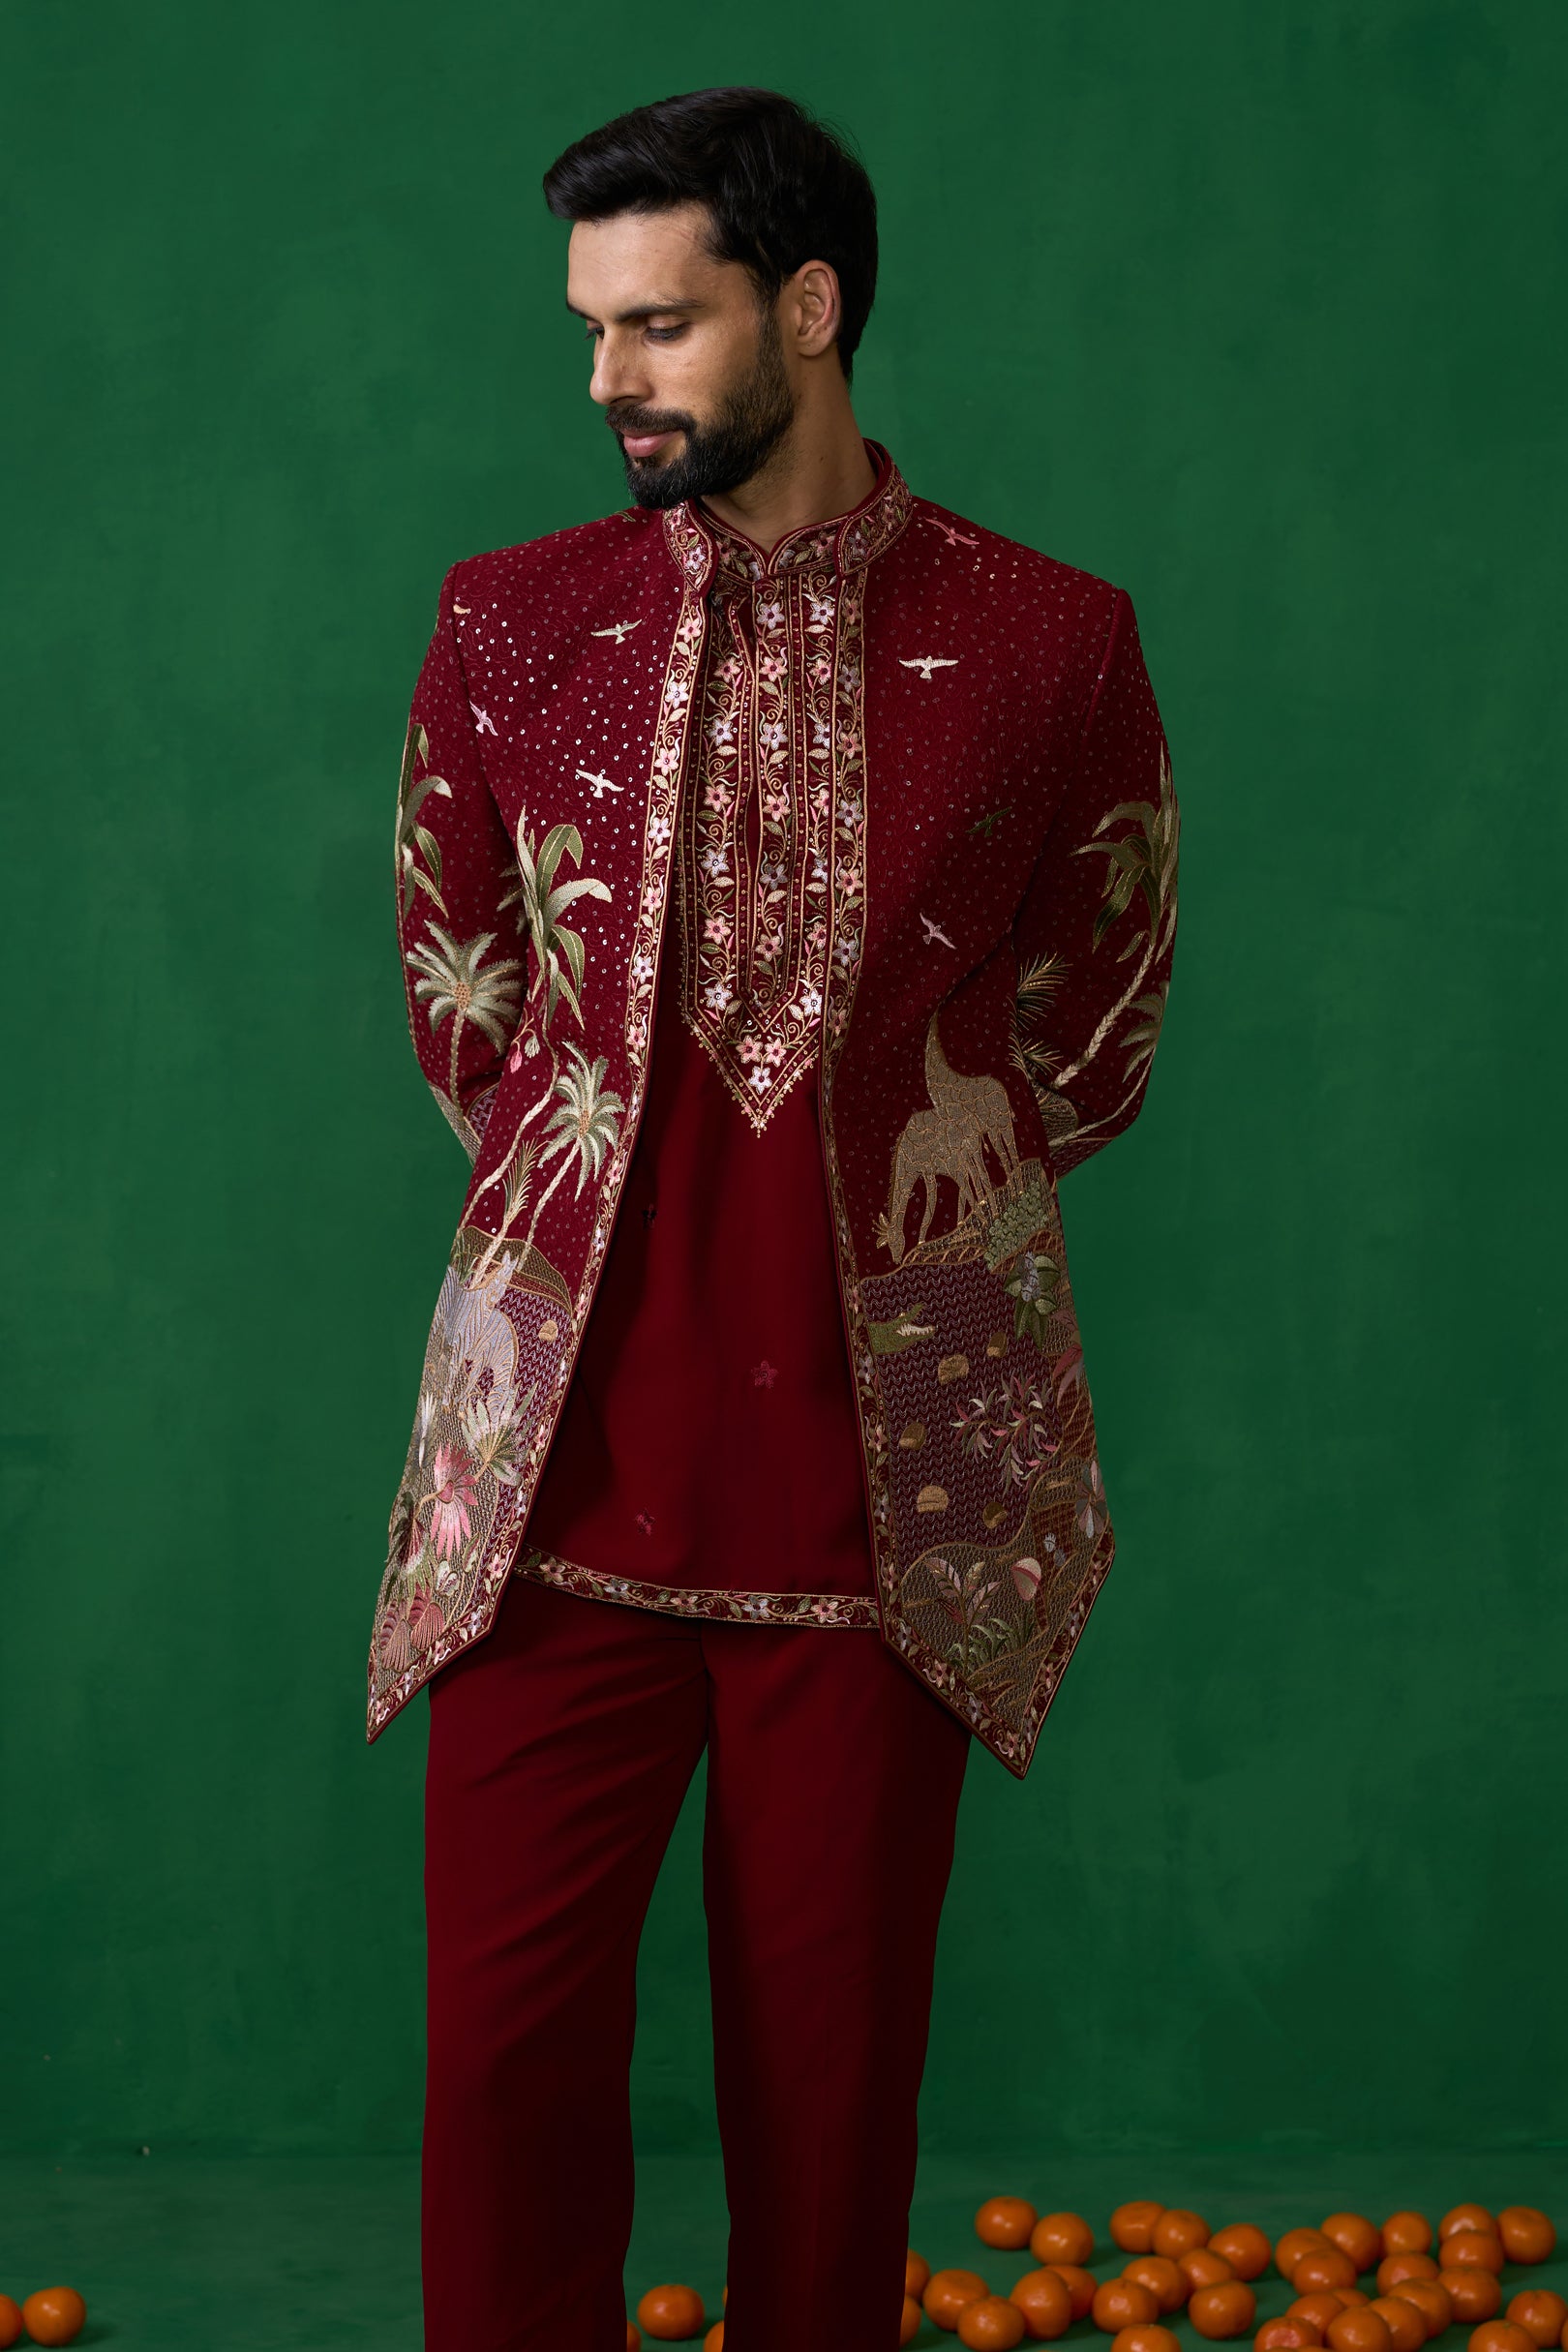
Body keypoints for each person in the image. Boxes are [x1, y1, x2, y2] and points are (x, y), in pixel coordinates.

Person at [369, 86, 1180, 2352]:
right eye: (590, 327)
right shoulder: (510, 625)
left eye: (659, 323)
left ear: (808, 311)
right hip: (553, 1500)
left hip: (882, 1507)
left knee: (832, 2105)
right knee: (501, 2070)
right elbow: (462, 992)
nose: (605, 377)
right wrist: (608, 1181)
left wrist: (902, 1202)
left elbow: (1101, 1015)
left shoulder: (1051, 645)